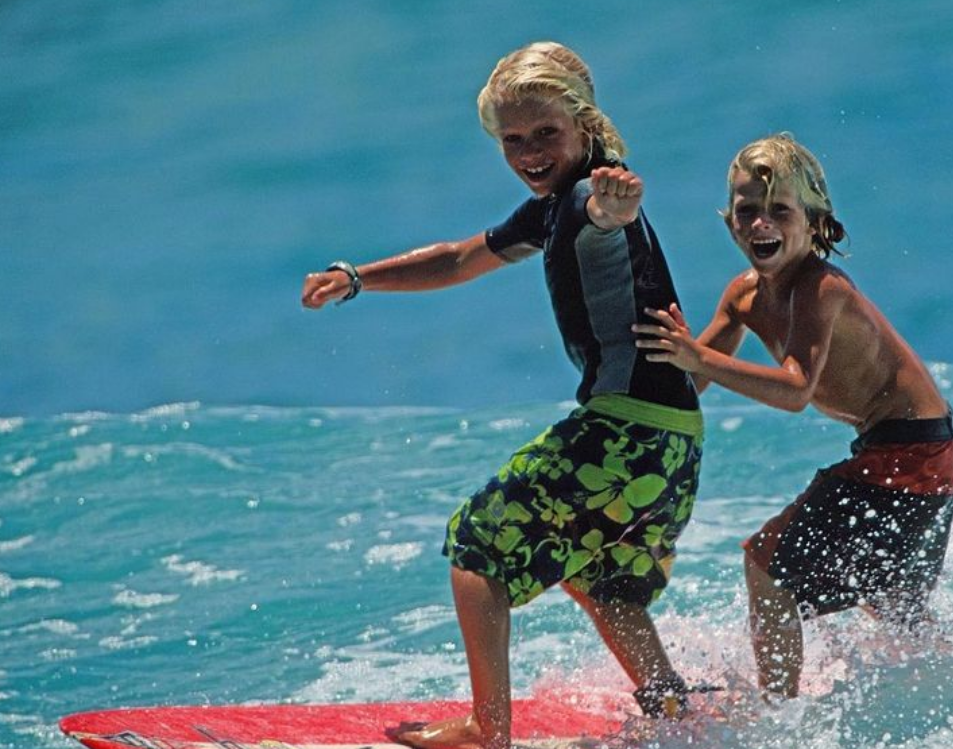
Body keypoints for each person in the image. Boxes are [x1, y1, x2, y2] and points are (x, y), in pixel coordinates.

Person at [302, 41, 704, 749]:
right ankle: (672, 710)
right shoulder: (549, 209)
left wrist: (614, 208)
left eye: (545, 133)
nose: (529, 152)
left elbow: (604, 221)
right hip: (673, 438)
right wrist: (359, 275)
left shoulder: (585, 196)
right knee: (600, 579)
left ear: (583, 125)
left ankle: (488, 730)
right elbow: (461, 257)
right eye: (512, 140)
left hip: (624, 430)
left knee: (476, 541)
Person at [635, 132, 953, 700]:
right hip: (915, 452)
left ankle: (777, 716)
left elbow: (794, 390)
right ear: (729, 222)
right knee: (897, 609)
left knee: (766, 562)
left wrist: (693, 354)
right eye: (747, 211)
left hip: (916, 450)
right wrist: (634, 399)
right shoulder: (744, 296)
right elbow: (695, 380)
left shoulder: (821, 288)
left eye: (779, 210)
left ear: (814, 223)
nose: (761, 224)